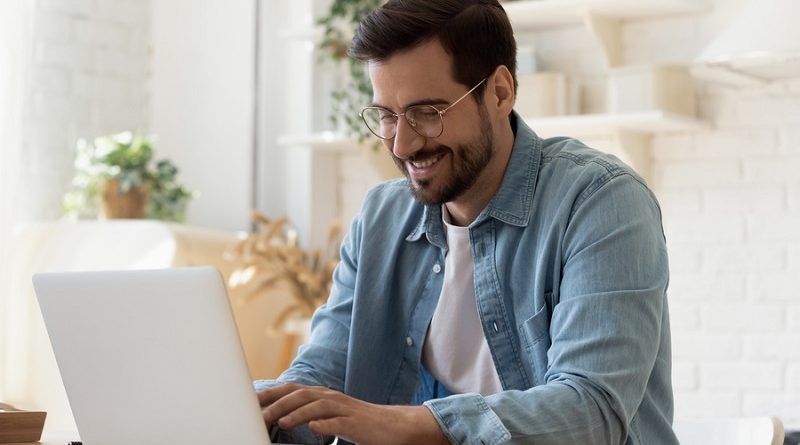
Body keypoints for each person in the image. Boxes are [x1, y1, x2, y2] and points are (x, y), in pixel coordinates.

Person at [256, 1, 677, 444]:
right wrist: (255, 409)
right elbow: (322, 373)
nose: (402, 145)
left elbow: (591, 410)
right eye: (386, 116)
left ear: (499, 93)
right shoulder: (382, 217)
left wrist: (396, 425)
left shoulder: (600, 201)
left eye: (427, 113)